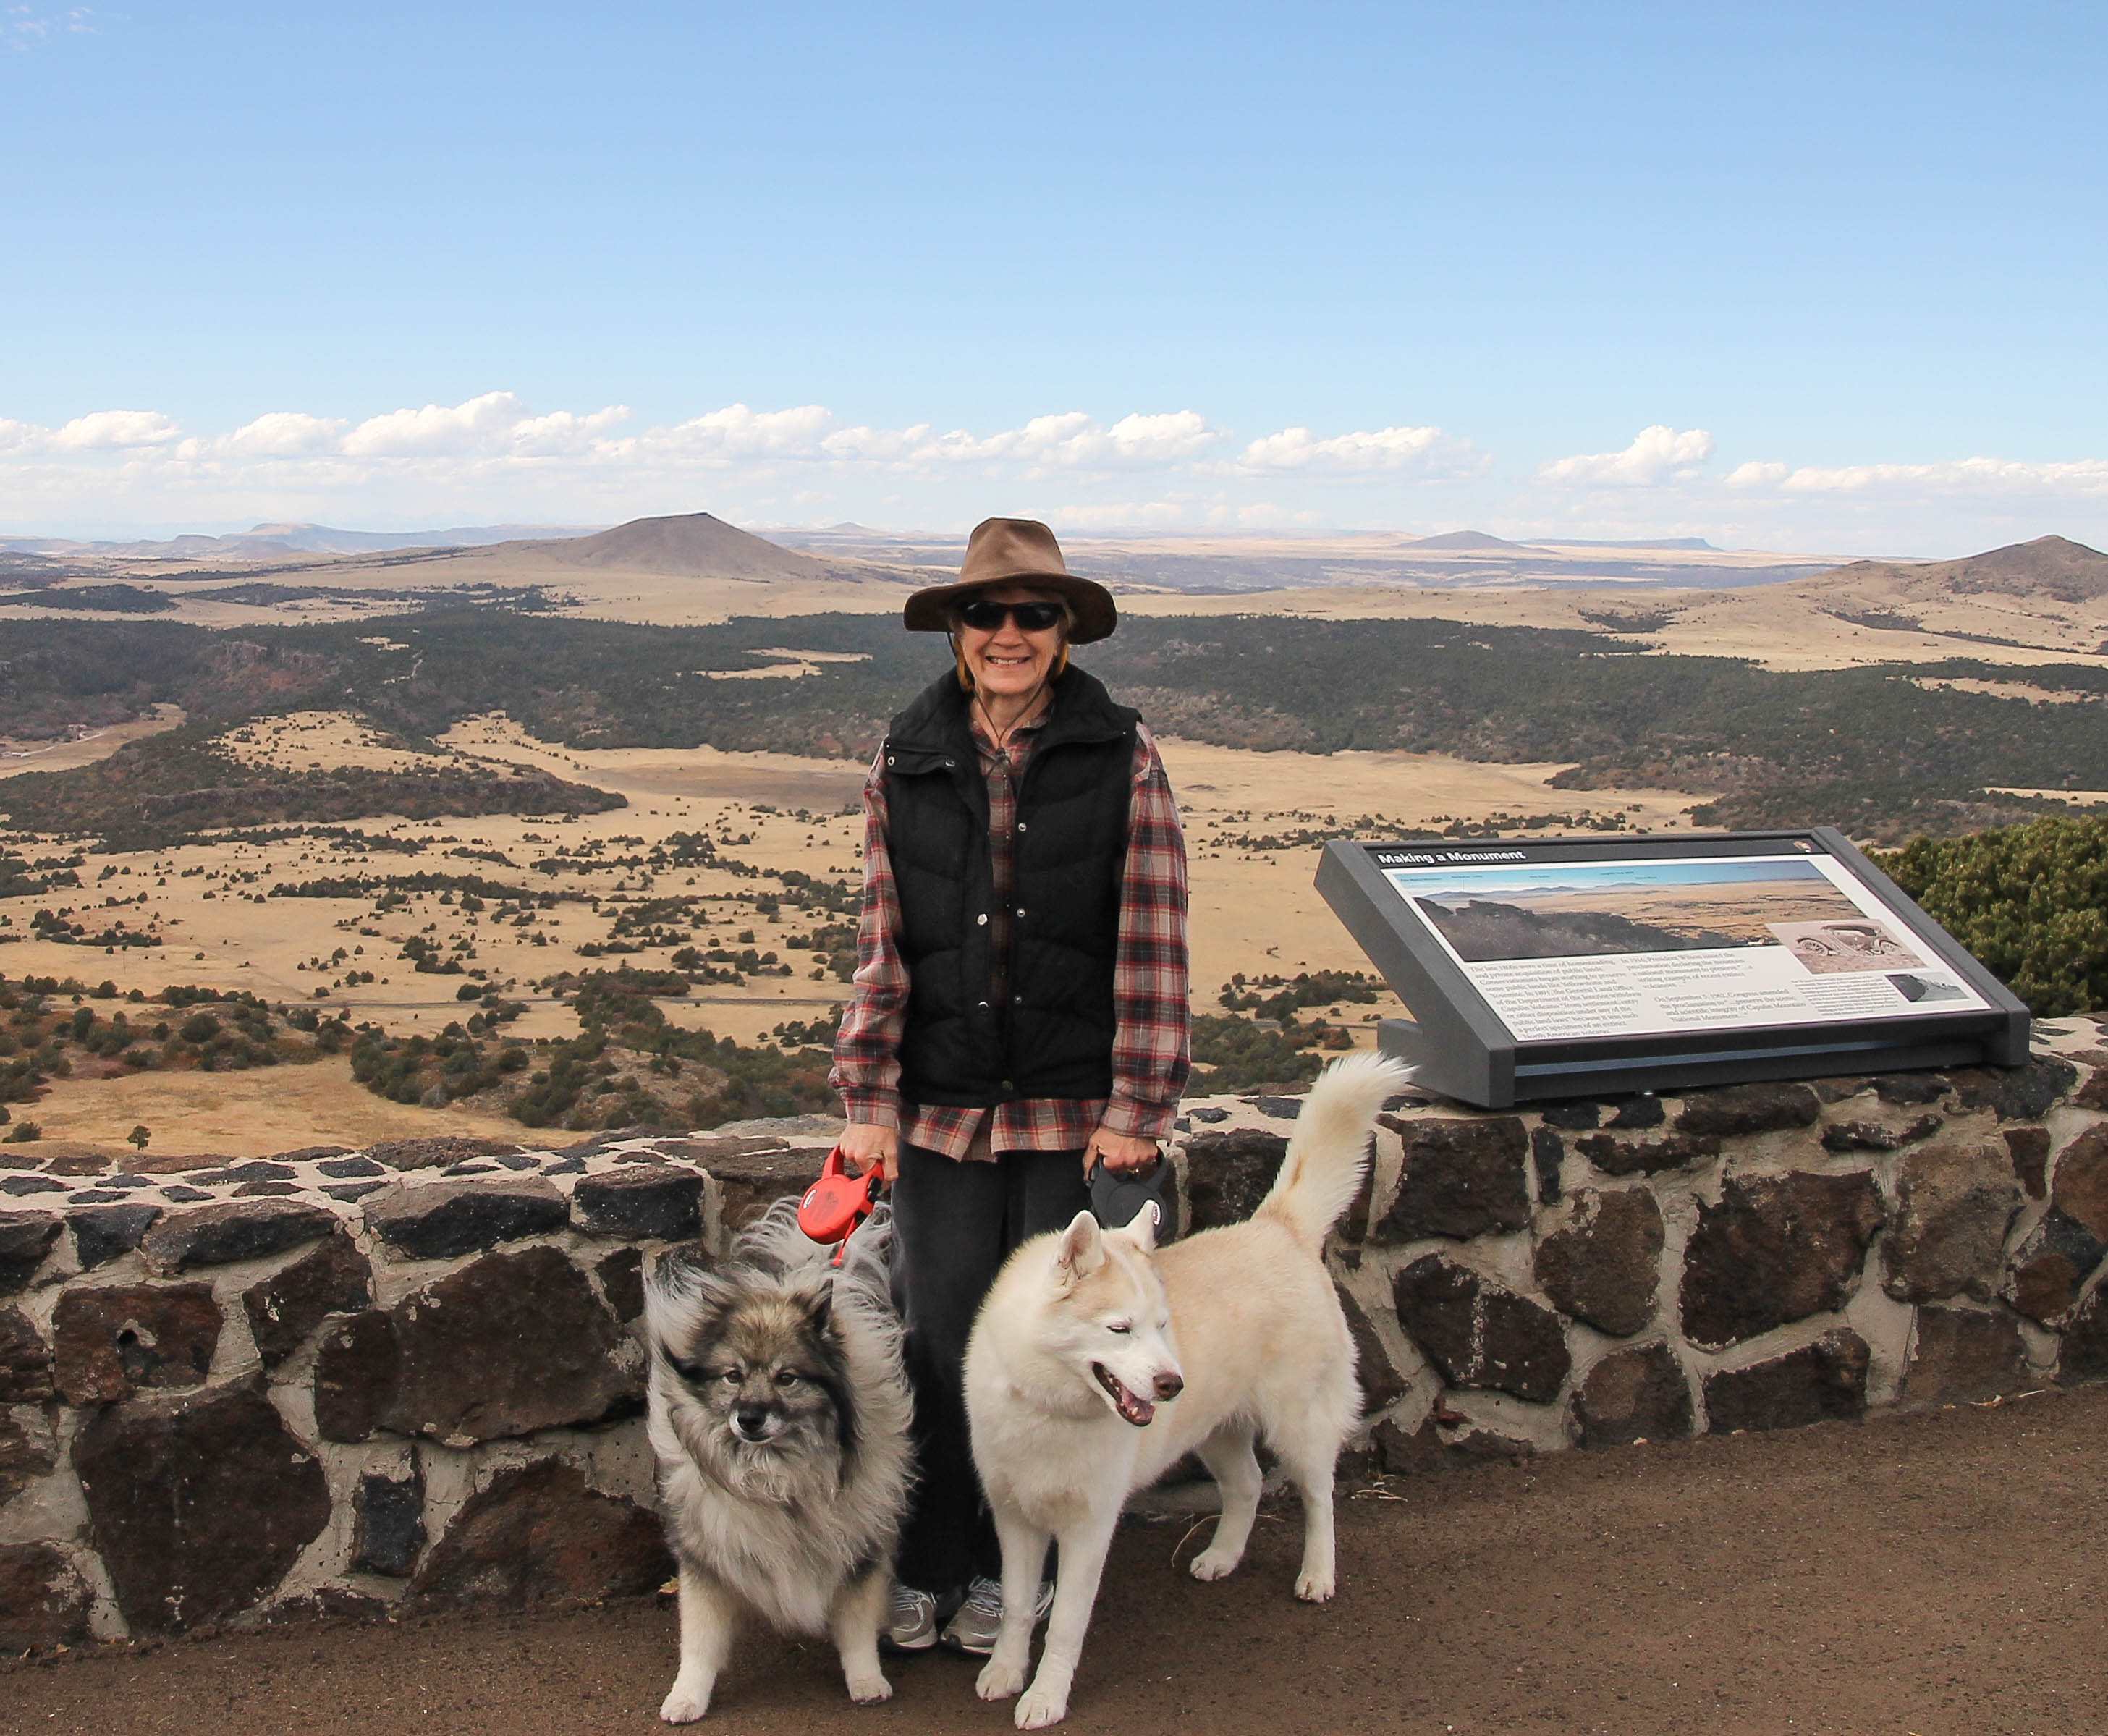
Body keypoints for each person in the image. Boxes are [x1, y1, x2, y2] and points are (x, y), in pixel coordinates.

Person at [829, 516, 1191, 1657]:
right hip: (940, 1108)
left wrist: (1137, 1108)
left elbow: (1151, 934)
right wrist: (867, 1098)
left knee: (1057, 1358)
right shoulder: (906, 754)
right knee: (940, 1340)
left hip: (1073, 1112)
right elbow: (884, 941)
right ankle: (931, 1558)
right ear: (955, 628)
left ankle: (1009, 1570)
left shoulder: (1118, 751)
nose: (1008, 632)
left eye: (1034, 613)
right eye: (986, 612)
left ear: (1064, 631)